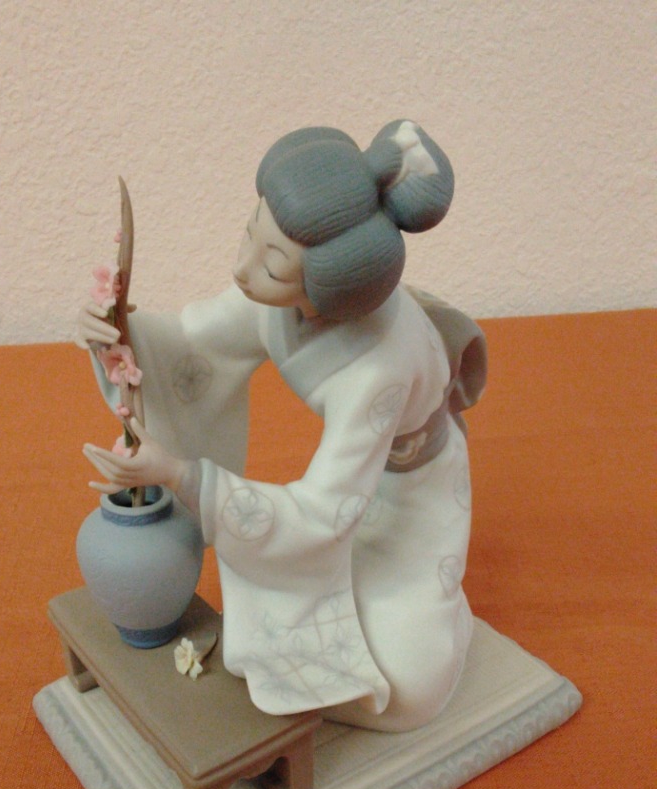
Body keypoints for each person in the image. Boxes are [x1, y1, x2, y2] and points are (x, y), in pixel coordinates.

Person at [76, 120, 487, 732]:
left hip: (409, 496)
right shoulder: (282, 297)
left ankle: (436, 615)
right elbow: (193, 346)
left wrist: (183, 475)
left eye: (271, 266)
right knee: (320, 640)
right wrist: (117, 335)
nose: (243, 271)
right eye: (251, 234)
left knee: (409, 685)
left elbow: (322, 516)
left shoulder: (378, 367)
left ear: (328, 289)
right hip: (350, 482)